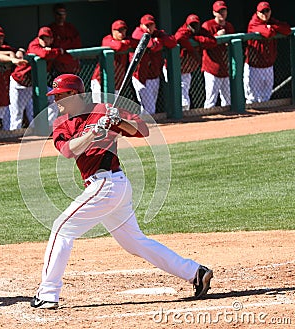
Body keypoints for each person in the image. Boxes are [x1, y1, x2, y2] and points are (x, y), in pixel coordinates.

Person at [30, 74, 213, 309]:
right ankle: (196, 272)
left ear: (74, 94)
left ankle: (47, 294)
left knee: (61, 228)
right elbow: (67, 151)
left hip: (108, 184)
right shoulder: (61, 122)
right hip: (103, 188)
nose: (56, 101)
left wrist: (118, 122)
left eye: (60, 96)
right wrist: (92, 133)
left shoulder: (104, 109)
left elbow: (142, 130)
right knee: (135, 243)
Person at [9, 26, 64, 130]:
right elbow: (43, 54)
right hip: (19, 84)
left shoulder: (54, 45)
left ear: (51, 39)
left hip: (34, 85)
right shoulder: (34, 44)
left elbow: (64, 52)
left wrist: (53, 50)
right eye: (41, 38)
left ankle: (47, 127)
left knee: (55, 98)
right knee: (17, 114)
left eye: (46, 38)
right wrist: (55, 51)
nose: (43, 40)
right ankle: (13, 139)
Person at [244, 2, 291, 104]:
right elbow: (268, 33)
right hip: (254, 67)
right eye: (262, 12)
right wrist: (272, 28)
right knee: (252, 99)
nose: (265, 14)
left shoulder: (271, 21)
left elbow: (287, 29)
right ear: (257, 13)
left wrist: (272, 27)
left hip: (268, 66)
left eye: (267, 11)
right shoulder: (253, 23)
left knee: (266, 97)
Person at [131, 14, 177, 116]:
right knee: (150, 108)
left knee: (148, 107)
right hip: (140, 77)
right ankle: (150, 127)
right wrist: (159, 42)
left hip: (153, 75)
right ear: (141, 25)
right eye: (146, 25)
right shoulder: (137, 33)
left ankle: (144, 126)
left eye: (151, 25)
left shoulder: (157, 33)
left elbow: (172, 42)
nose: (149, 28)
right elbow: (151, 44)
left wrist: (158, 40)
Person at [175, 15, 217, 111]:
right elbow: (179, 38)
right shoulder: (183, 31)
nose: (194, 27)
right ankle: (179, 115)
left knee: (184, 91)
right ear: (187, 25)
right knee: (179, 92)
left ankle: (184, 113)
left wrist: (198, 39)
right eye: (191, 25)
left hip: (186, 69)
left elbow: (213, 41)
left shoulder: (201, 31)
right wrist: (193, 51)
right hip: (173, 67)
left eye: (196, 24)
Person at [91, 19, 135, 103]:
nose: (121, 33)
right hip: (100, 81)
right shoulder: (107, 39)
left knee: (113, 110)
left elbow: (137, 42)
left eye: (123, 30)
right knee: (99, 108)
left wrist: (126, 42)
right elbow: (118, 46)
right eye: (119, 31)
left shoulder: (128, 39)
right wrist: (126, 43)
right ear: (113, 31)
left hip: (117, 82)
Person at [201, 1, 235, 108]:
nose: (222, 13)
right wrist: (216, 36)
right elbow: (203, 44)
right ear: (214, 13)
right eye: (219, 11)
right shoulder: (207, 26)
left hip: (225, 68)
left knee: (228, 100)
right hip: (212, 68)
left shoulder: (229, 26)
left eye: (223, 10)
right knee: (211, 100)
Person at [49, 3, 81, 76]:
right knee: (57, 86)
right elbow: (55, 45)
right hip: (58, 67)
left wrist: (63, 43)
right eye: (59, 13)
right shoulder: (51, 28)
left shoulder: (70, 28)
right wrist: (69, 42)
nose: (61, 16)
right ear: (54, 14)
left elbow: (77, 43)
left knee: (73, 87)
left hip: (72, 66)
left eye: (63, 13)